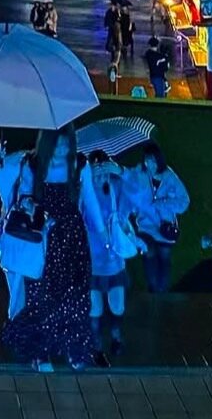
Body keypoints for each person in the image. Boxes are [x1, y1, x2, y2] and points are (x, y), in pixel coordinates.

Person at [0, 125, 97, 370]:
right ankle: (40, 353)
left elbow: (91, 201)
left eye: (67, 144)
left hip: (73, 238)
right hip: (43, 240)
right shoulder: (32, 164)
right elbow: (22, 197)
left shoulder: (80, 165)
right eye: (57, 143)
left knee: (75, 295)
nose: (62, 149)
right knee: (42, 297)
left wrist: (105, 237)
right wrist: (37, 212)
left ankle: (75, 350)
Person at [85, 151, 145, 364]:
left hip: (114, 261)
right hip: (92, 263)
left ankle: (116, 336)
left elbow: (139, 194)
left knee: (117, 306)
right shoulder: (85, 191)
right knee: (95, 309)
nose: (101, 176)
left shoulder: (116, 187)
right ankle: (96, 348)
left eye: (103, 170)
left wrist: (121, 171)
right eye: (96, 171)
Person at [124, 142, 190, 292]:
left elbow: (184, 201)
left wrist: (163, 203)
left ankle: (162, 292)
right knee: (149, 251)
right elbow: (129, 188)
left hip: (165, 226)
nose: (150, 164)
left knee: (164, 256)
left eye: (153, 160)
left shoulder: (169, 177)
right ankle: (153, 289)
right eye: (147, 160)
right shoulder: (140, 174)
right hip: (146, 225)